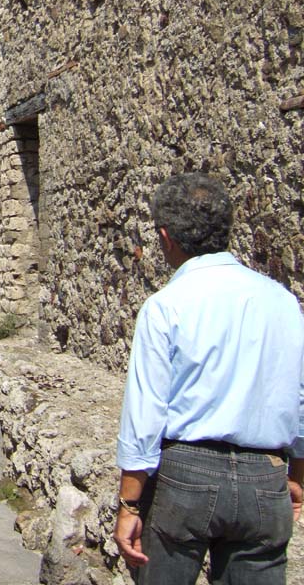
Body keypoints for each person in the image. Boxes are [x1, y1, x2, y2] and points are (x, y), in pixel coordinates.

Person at [113, 172, 304, 584]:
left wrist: (128, 505)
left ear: (166, 237)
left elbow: (145, 415)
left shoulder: (165, 306)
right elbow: (300, 399)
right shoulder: (284, 302)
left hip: (186, 474)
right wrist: (296, 474)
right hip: (265, 474)